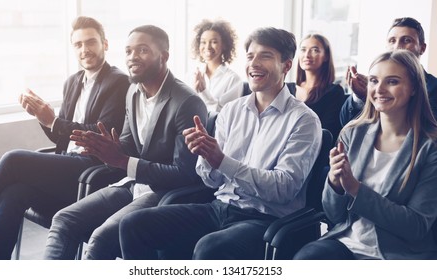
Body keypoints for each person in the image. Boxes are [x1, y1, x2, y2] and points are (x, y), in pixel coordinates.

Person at [119, 27, 322, 260]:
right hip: (219, 208)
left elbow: (284, 188)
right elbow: (211, 180)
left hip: (264, 219)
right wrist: (205, 156)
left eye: (265, 56)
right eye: (250, 56)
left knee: (210, 248)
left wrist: (222, 161)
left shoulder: (304, 120)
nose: (254, 63)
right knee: (133, 224)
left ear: (286, 66)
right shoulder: (232, 111)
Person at [43, 25, 207, 260]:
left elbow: (185, 174)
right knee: (63, 219)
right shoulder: (133, 92)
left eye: (142, 50)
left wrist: (122, 159)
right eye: (128, 51)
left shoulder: (187, 101)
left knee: (100, 239)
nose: (132, 57)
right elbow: (128, 148)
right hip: (132, 184)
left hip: (163, 193)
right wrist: (106, 149)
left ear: (164, 56)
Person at [0, 16, 129, 260]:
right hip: (66, 165)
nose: (84, 49)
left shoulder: (119, 81)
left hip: (92, 171)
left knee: (13, 159)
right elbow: (61, 134)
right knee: (13, 192)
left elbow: (101, 133)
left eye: (91, 42)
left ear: (105, 44)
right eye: (78, 44)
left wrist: (53, 120)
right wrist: (42, 117)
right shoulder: (73, 82)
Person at [294, 50, 437, 260]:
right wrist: (335, 184)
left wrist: (355, 189)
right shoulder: (353, 133)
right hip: (346, 243)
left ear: (414, 88)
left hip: (397, 254)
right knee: (305, 260)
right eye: (373, 81)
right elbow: (334, 215)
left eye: (392, 81)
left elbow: (416, 226)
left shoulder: (430, 148)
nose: (379, 89)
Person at [340, 17, 437, 127]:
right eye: (392, 41)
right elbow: (346, 122)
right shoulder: (375, 84)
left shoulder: (434, 88)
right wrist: (360, 97)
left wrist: (371, 101)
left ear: (422, 48)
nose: (397, 47)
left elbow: (425, 128)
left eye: (406, 40)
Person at [287, 34, 345, 140]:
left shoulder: (334, 92)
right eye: (303, 50)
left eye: (315, 50)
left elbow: (328, 133)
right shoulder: (287, 89)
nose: (307, 55)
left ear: (326, 56)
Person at [191, 19, 243, 112]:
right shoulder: (192, 75)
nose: (207, 47)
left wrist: (204, 92)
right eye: (203, 42)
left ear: (224, 45)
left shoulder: (233, 79)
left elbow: (226, 114)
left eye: (214, 42)